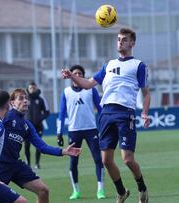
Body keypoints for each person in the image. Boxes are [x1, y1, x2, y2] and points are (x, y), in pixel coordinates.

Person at [62, 28, 150, 203]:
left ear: (132, 43)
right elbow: (87, 84)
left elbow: (146, 93)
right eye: (118, 39)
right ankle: (121, 192)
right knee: (106, 160)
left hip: (125, 113)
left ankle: (142, 187)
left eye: (124, 40)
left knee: (127, 159)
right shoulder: (108, 65)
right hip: (106, 114)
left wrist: (145, 113)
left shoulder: (138, 65)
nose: (120, 42)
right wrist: (72, 76)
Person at [0, 88, 82, 203]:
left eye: (26, 98)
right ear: (11, 103)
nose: (25, 101)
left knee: (43, 190)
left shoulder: (27, 125)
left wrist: (63, 151)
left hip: (15, 165)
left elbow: (42, 147)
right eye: (21, 98)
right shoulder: (4, 117)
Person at [57, 65, 105, 200]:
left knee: (98, 159)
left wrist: (105, 127)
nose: (77, 75)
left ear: (83, 75)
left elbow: (100, 109)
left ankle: (100, 190)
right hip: (74, 131)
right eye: (75, 73)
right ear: (71, 76)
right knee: (73, 162)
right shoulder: (66, 92)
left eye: (80, 73)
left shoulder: (91, 90)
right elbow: (61, 113)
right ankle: (76, 191)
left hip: (91, 130)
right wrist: (59, 133)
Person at [25, 81, 50, 169]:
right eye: (30, 88)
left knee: (38, 145)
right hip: (26, 127)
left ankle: (37, 163)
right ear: (28, 89)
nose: (32, 89)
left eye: (34, 88)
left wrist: (40, 118)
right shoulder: (25, 100)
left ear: (36, 88)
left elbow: (47, 112)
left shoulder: (40, 99)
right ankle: (28, 164)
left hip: (38, 126)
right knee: (26, 146)